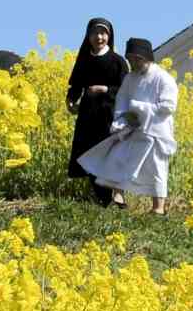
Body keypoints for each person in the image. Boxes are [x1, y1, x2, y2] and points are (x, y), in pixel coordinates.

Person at [76, 37, 178, 213]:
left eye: (136, 59)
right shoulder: (130, 78)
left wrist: (140, 109)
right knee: (117, 157)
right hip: (132, 128)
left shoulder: (164, 78)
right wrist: (121, 119)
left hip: (155, 131)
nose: (133, 63)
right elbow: (122, 100)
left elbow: (168, 106)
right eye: (130, 59)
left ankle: (158, 208)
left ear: (146, 57)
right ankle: (118, 197)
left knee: (156, 169)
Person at [65, 16, 126, 205]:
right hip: (88, 114)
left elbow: (125, 90)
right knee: (89, 154)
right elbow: (76, 84)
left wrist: (105, 89)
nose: (99, 37)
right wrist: (71, 99)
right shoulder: (83, 59)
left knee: (108, 154)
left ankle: (113, 197)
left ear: (109, 36)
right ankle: (102, 200)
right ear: (88, 36)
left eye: (103, 33)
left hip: (108, 114)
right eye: (94, 33)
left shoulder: (117, 61)